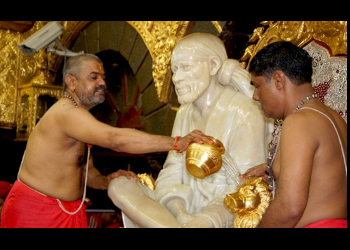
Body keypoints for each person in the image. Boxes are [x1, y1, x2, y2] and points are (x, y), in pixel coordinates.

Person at [0, 53, 213, 228]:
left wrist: (105, 181)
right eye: (93, 77)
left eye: (102, 77)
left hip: (70, 212)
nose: (102, 83)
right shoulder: (65, 113)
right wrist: (176, 143)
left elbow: (85, 171)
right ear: (71, 82)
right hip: (35, 212)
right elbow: (115, 139)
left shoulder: (80, 118)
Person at [108, 32, 273, 228]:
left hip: (220, 210)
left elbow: (246, 188)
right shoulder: (185, 112)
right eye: (174, 70)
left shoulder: (244, 110)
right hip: (178, 212)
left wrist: (203, 219)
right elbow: (172, 171)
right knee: (119, 186)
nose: (177, 78)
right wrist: (179, 212)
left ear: (213, 65)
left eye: (186, 68)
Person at [240, 40, 347, 228]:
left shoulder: (299, 121)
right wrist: (271, 168)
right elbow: (322, 171)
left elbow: (290, 207)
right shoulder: (334, 118)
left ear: (279, 80)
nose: (255, 96)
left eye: (257, 86)